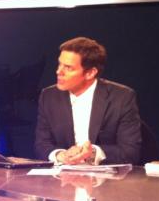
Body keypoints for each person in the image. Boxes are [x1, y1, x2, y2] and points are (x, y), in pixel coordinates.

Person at [34, 36, 141, 165]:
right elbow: (41, 144)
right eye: (59, 64)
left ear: (90, 73)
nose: (58, 72)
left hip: (104, 175)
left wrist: (92, 153)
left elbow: (130, 152)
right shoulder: (49, 96)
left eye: (68, 68)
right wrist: (61, 155)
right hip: (62, 174)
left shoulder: (122, 97)